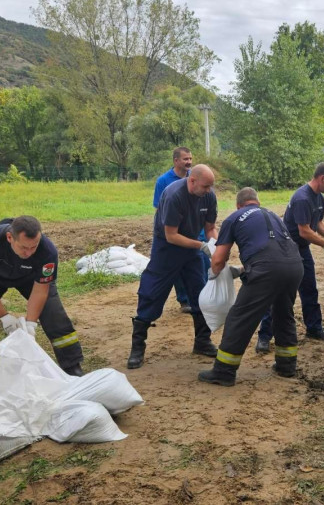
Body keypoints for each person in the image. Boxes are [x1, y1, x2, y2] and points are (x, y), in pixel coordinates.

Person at [0, 216, 84, 376]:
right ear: (10, 238)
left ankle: (72, 366)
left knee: (53, 313)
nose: (29, 252)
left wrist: (31, 324)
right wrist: (4, 317)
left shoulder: (47, 251)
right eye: (23, 247)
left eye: (33, 247)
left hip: (30, 277)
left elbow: (41, 291)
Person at [198, 188, 304, 386]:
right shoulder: (272, 215)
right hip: (295, 267)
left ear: (239, 205)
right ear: (257, 201)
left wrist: (213, 274)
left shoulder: (234, 218)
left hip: (267, 270)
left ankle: (224, 371)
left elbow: (219, 258)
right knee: (283, 314)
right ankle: (286, 365)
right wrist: (243, 269)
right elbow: (272, 249)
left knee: (240, 317)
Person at [128, 165, 219, 369]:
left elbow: (211, 228)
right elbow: (172, 235)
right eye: (205, 186)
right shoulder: (173, 195)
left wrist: (216, 245)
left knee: (200, 293)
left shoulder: (208, 196)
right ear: (192, 181)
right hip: (167, 249)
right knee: (151, 293)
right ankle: (137, 348)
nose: (208, 191)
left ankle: (202, 342)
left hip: (192, 249)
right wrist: (201, 245)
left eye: (210, 187)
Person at [254, 163, 324, 353]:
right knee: (280, 293)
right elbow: (304, 231)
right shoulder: (302, 198)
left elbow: (317, 223)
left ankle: (314, 328)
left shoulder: (319, 198)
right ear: (322, 178)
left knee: (309, 288)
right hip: (286, 250)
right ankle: (264, 336)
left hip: (302, 249)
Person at [152, 147, 208, 313]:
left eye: (190, 158)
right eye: (185, 159)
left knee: (202, 265)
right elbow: (159, 209)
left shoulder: (196, 177)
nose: (189, 162)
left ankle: (200, 299)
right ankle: (184, 300)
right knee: (177, 268)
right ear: (176, 161)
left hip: (196, 231)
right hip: (175, 232)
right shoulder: (163, 181)